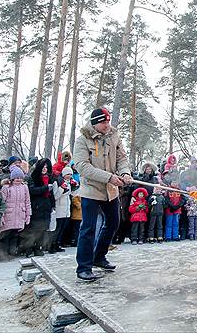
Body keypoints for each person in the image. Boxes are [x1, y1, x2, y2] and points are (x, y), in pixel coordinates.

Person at [73, 107, 132, 282]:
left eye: (108, 121)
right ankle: (84, 267)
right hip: (91, 189)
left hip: (110, 191)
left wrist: (125, 173)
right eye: (103, 122)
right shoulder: (82, 140)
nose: (107, 125)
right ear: (95, 123)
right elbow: (82, 166)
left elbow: (121, 158)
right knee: (89, 227)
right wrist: (109, 177)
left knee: (113, 222)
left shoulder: (114, 136)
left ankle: (99, 256)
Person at [24, 158, 55, 257]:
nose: (45, 169)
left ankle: (38, 248)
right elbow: (31, 191)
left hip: (46, 205)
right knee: (34, 229)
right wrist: (45, 188)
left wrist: (52, 204)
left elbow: (51, 193)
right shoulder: (33, 177)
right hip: (36, 205)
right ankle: (29, 248)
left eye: (46, 167)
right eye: (43, 166)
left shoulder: (49, 178)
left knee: (43, 228)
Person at [0, 166, 30, 258]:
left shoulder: (24, 187)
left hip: (20, 213)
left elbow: (27, 202)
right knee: (6, 234)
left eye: (20, 178)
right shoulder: (6, 187)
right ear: (12, 178)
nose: (18, 179)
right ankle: (3, 253)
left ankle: (12, 251)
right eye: (16, 178)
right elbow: (2, 202)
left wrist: (28, 215)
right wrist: (2, 216)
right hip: (9, 214)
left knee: (15, 234)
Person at [51, 167, 75, 253]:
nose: (69, 176)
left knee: (62, 229)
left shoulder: (68, 183)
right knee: (57, 228)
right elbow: (55, 196)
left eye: (71, 174)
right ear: (64, 174)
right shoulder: (57, 182)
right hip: (59, 208)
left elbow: (71, 194)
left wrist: (74, 187)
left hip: (66, 209)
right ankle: (52, 245)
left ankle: (58, 244)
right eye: (68, 174)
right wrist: (62, 188)